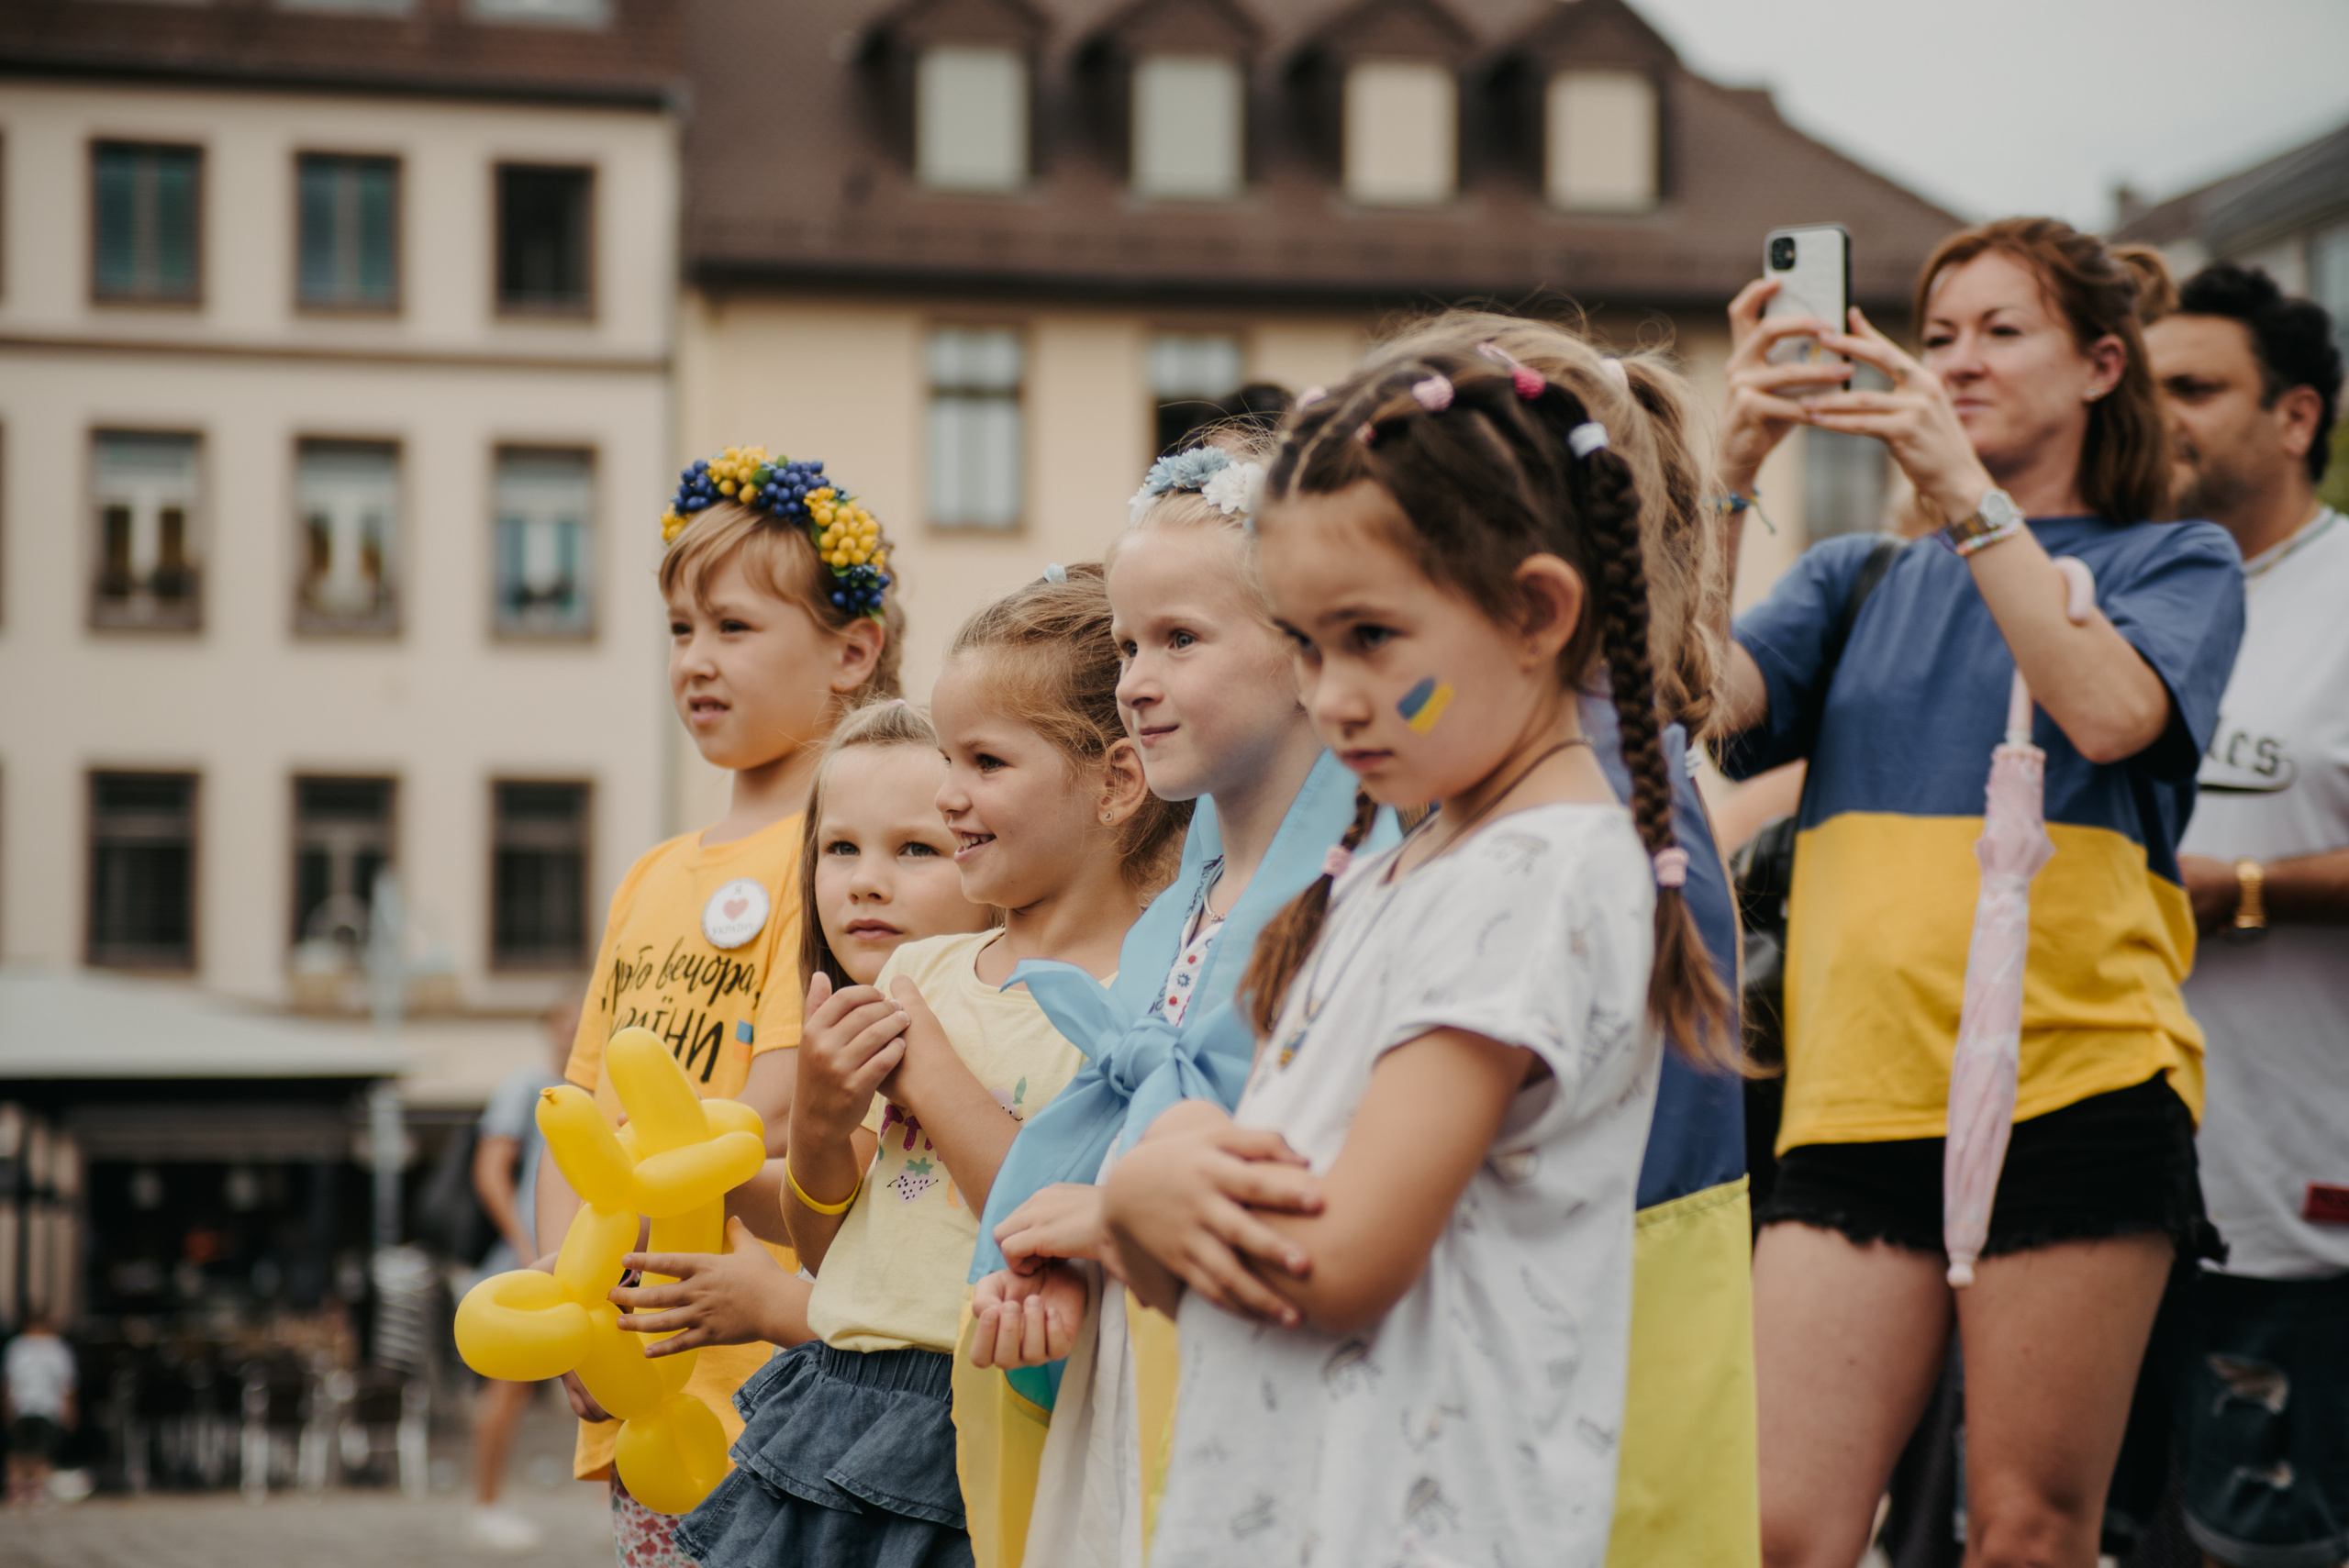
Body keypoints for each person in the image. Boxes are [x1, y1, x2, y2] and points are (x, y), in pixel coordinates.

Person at [1106, 343, 1732, 1566]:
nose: (1333, 695)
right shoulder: (1410, 867)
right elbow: (1223, 1257)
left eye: (1373, 637)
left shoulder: (1533, 877)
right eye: (1307, 644)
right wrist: (1159, 1208)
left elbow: (1335, 1264)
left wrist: (1148, 1179)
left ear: (1538, 611)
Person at [1710, 217, 2245, 1568]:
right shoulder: (1856, 575)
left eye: (2003, 332)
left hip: (2076, 1088)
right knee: (1780, 1529)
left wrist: (1965, 498)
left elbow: (2111, 712)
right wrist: (1729, 464)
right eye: (1937, 335)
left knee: (2023, 1532)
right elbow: (1695, 706)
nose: (1957, 363)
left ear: (2103, 365)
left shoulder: (2174, 560)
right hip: (1857, 1092)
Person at [669, 567, 1187, 1568]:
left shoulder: (1138, 998)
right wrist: (820, 1122)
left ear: (1117, 782)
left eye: (984, 761)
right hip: (838, 1400)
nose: (949, 793)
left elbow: (1057, 1234)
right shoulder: (919, 968)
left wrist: (935, 1080)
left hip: (981, 1417)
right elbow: (833, 1245)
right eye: (949, 758)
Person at [956, 433, 1396, 1568]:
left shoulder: (1372, 891)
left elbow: (1348, 1189)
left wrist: (1110, 1220)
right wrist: (1059, 1279)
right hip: (1138, 1399)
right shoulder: (1171, 916)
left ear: (1307, 650)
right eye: (1124, 644)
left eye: (1179, 639)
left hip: (1283, 1422)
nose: (1134, 680)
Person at [533, 445, 901, 1567]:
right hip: (641, 1390)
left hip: (771, 1390)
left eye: (735, 628)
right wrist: (568, 1311)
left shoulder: (842, 863)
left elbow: (790, 1111)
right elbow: (577, 1107)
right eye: (682, 631)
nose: (697, 659)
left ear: (852, 651)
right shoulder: (652, 874)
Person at [2145, 262, 2349, 1568]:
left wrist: (2254, 891)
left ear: (2297, 416)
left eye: (2197, 388)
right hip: (2111, 1192)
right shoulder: (2124, 599)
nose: (2161, 414)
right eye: (2146, 384)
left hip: (2303, 1201)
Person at [607, 699, 996, 1356]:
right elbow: (854, 1203)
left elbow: (921, 1310)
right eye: (840, 847)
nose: (866, 881)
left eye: (917, 848)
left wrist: (774, 1302)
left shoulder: (1000, 1032)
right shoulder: (861, 1027)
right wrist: (631, 1217)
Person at [467, 999, 579, 1553]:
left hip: (575, 1259)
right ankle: (485, 1506)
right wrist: (526, 1243)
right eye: (564, 1022)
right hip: (528, 1259)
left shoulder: (596, 1090)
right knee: (506, 1388)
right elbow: (490, 1172)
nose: (574, 1031)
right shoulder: (527, 1087)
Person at [5, 1311, 75, 1509]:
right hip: (32, 1405)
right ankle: (23, 1489)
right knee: (26, 1450)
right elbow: (66, 1384)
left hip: (39, 1406)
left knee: (33, 1450)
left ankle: (30, 1489)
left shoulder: (50, 1348)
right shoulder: (27, 1347)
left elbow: (65, 1384)